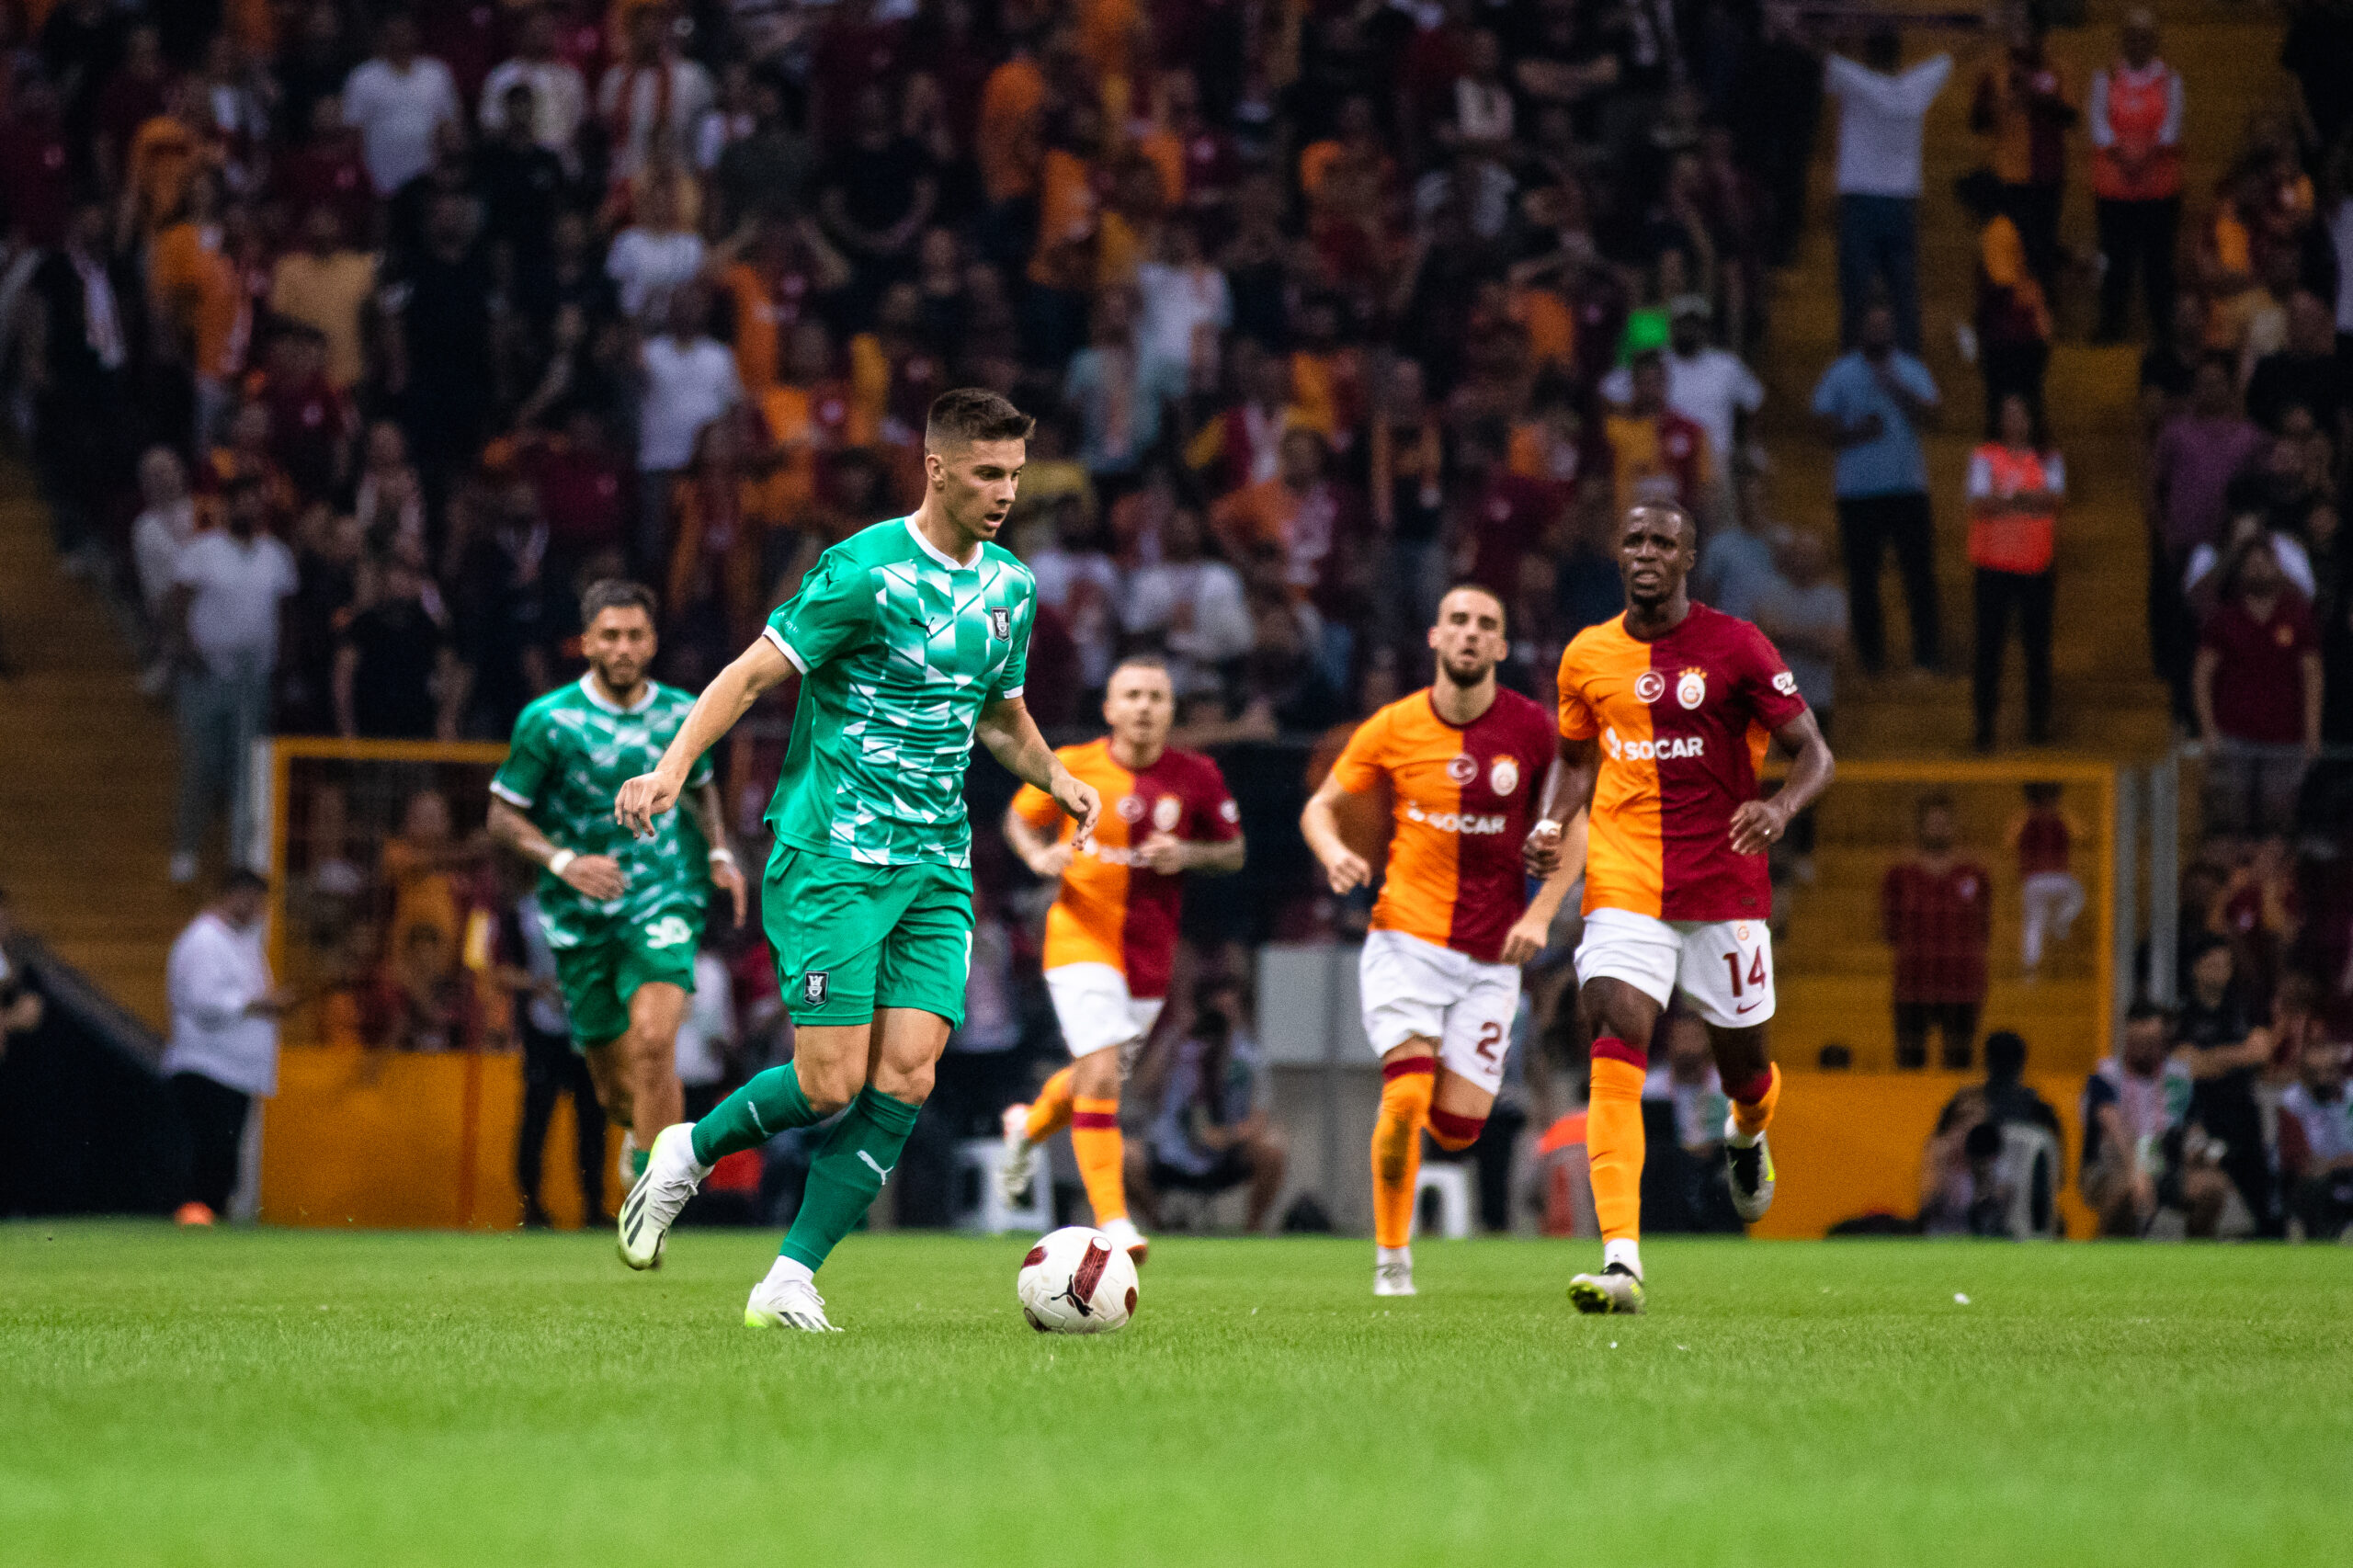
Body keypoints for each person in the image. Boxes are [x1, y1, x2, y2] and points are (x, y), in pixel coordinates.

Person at [611, 389, 1100, 1332]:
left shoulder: (1011, 587)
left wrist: (1056, 775)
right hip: (835, 852)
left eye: (1014, 473)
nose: (1005, 492)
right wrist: (671, 767)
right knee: (828, 1081)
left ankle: (789, 1277)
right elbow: (748, 675)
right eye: (987, 473)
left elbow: (999, 714)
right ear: (937, 469)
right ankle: (687, 1151)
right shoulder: (863, 572)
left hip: (936, 862)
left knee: (909, 1074)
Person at [1525, 504, 1836, 1313]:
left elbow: (1816, 753)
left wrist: (1779, 809)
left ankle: (1746, 1132)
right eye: (1633, 540)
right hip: (1626, 882)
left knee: (1746, 1069)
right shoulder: (1587, 654)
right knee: (1615, 1028)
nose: (1646, 553)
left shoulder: (1738, 646)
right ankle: (1621, 1261)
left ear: (1689, 557)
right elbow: (1573, 760)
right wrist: (1552, 821)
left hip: (1724, 887)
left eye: (1663, 542)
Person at [1302, 584, 1576, 1297]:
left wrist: (1541, 915)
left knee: (1457, 1128)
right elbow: (1319, 809)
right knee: (1405, 1097)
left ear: (1502, 646)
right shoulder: (1393, 725)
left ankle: (1432, 1127)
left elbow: (1575, 827)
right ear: (1435, 636)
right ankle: (1393, 1261)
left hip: (1491, 958)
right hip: (1405, 940)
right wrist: (1334, 852)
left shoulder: (1532, 729)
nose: (1470, 632)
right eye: (1457, 620)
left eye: (1485, 623)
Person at [487, 580, 748, 1190]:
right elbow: (501, 815)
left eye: (635, 635)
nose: (623, 647)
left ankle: (657, 1196)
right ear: (585, 643)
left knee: (656, 1042)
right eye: (610, 636)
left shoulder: (683, 713)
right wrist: (562, 862)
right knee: (614, 1092)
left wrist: (716, 851)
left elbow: (702, 786)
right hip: (579, 911)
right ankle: (641, 1136)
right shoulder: (548, 721)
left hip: (665, 892)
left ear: (653, 642)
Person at [997, 655, 1245, 1263]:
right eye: (1132, 695)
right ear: (1109, 708)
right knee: (1103, 1072)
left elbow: (1234, 852)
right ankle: (1114, 1221)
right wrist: (1038, 857)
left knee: (1094, 1075)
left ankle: (1027, 1127)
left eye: (1156, 697)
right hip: (1079, 937)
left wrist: (1188, 853)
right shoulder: (1073, 764)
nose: (1144, 707)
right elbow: (1019, 820)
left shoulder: (1197, 775)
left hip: (1149, 957)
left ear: (1171, 710)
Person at [164, 472, 296, 884]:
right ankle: (186, 848)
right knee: (202, 762)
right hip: (208, 671)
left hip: (254, 674)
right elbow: (178, 603)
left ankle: (241, 859)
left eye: (256, 501)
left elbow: (285, 614)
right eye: (242, 500)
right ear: (228, 505)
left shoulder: (276, 555)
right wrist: (186, 650)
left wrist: (279, 665)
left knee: (248, 769)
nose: (249, 508)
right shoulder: (203, 551)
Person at [1813, 302, 1943, 676]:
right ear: (1861, 330)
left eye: (1885, 324)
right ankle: (1871, 659)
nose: (1879, 331)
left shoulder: (1911, 370)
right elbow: (1819, 425)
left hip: (1907, 488)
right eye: (1873, 325)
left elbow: (1934, 417)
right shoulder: (1841, 372)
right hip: (1858, 492)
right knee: (1862, 578)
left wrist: (1897, 388)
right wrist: (1855, 432)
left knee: (1918, 574)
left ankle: (1926, 657)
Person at [161, 871, 293, 1225]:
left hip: (234, 1070)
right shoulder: (204, 940)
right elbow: (204, 1002)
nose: (260, 909)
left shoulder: (243, 942)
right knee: (208, 1151)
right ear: (233, 895)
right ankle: (193, 1218)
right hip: (207, 1066)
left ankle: (209, 1218)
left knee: (222, 1158)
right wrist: (258, 1005)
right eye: (254, 899)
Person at [1824, 28, 1952, 352]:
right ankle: (1908, 361)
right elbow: (1948, 59)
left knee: (1856, 292)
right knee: (1904, 294)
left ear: (1867, 57)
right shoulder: (1915, 87)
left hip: (1860, 200)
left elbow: (1820, 56)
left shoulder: (1854, 80)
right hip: (1901, 203)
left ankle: (1853, 361)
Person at [1127, 978, 1288, 1233]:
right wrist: (1172, 1042)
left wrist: (1226, 1136)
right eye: (1217, 1010)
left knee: (1273, 1148)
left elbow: (1259, 1120)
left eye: (1231, 1010)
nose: (1223, 1019)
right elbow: (1139, 1090)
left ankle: (1252, 1229)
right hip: (1172, 1150)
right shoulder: (1176, 1045)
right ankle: (1161, 1227)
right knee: (1121, 1155)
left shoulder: (1250, 1059)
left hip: (1227, 1154)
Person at [2195, 537, 2323, 836]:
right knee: (2229, 825)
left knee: (2278, 829)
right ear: (2241, 570)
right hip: (2233, 737)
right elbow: (2202, 675)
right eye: (2252, 564)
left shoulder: (2297, 616)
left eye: (2265, 563)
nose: (2259, 570)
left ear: (2277, 568)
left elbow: (2312, 676)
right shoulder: (2225, 619)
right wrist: (2208, 728)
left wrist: (2312, 732)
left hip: (2286, 738)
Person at [499, 883, 605, 1230]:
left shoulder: (593, 906)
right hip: (543, 1028)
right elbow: (498, 968)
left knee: (591, 1121)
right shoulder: (523, 911)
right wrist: (537, 984)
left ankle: (593, 1206)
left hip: (584, 1029)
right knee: (537, 1117)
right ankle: (530, 1205)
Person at [1968, 392, 2063, 750]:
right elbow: (1980, 502)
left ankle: (2038, 725)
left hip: (2036, 564)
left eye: (2020, 414)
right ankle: (1984, 727)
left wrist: (2007, 498)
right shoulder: (1984, 456)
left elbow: (2054, 499)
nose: (2014, 421)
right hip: (1992, 564)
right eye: (2007, 414)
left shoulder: (2048, 457)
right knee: (1988, 649)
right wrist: (2026, 497)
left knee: (2037, 649)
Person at [2088, 10, 2184, 343]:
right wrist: (2124, 157)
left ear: (2154, 41)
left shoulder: (2170, 80)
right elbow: (2098, 125)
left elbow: (2171, 128)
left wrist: (2144, 157)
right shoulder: (2105, 77)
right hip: (2114, 190)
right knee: (2114, 261)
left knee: (2159, 263)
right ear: (2123, 39)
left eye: (2144, 37)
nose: (2138, 44)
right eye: (2132, 36)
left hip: (2159, 191)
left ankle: (2163, 329)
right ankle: (2110, 325)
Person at [1881, 792, 1992, 1070]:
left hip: (1962, 985)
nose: (1939, 829)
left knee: (1959, 1064)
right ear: (1921, 827)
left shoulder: (1975, 874)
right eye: (1933, 823)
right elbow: (1890, 929)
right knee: (1910, 1066)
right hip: (1913, 985)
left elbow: (1984, 927)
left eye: (1944, 823)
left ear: (1954, 826)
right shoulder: (1900, 875)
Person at [2081, 1002, 2200, 1237]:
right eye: (2138, 1042)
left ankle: (2196, 1253)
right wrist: (2137, 1172)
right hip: (2112, 1164)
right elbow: (2113, 1127)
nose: (2145, 1049)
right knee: (2126, 1189)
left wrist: (2198, 1150)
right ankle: (2106, 1246)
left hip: (2164, 1165)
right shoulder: (2105, 1076)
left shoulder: (2178, 1079)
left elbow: (2193, 1127)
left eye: (2151, 1041)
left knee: (2211, 1188)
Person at [2277, 1032, 2353, 1240]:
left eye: (2329, 1071)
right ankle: (2319, 1241)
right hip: (2316, 1181)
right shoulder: (2292, 1101)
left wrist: (2338, 1163)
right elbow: (2300, 1161)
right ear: (2303, 1074)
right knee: (2315, 1183)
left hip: (2345, 1171)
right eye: (2314, 1073)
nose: (2322, 1079)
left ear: (2340, 1070)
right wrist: (2333, 1165)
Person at [2010, 782, 2085, 975]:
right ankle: (2059, 922)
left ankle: (2030, 966)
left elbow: (2009, 841)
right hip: (2052, 879)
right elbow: (2082, 834)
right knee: (2076, 896)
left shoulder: (2030, 819)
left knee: (2034, 922)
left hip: (2036, 880)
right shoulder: (2052, 819)